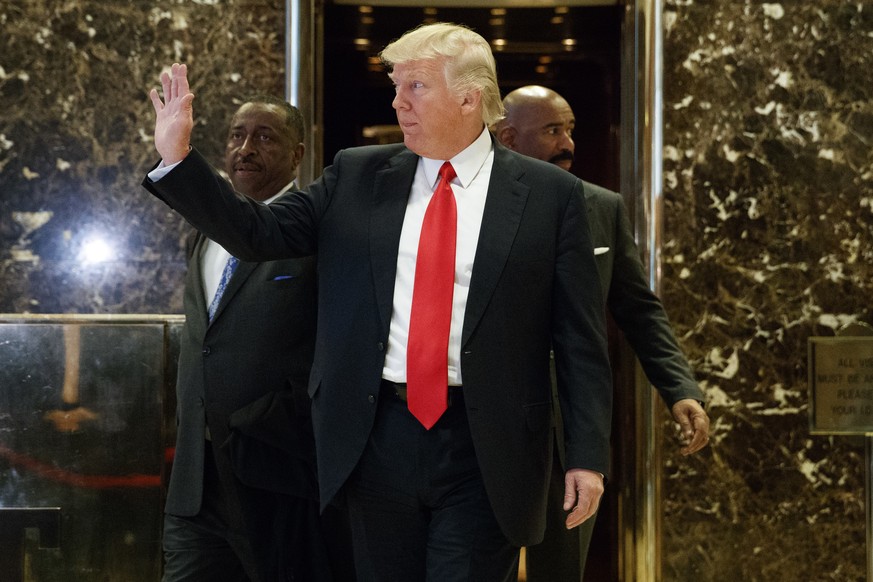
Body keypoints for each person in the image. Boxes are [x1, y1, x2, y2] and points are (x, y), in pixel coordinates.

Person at [143, 23, 613, 582]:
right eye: (394, 86)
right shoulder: (358, 174)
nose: (397, 102)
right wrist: (179, 159)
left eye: (414, 86)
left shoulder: (550, 194)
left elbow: (579, 338)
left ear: (468, 97)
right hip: (373, 435)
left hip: (490, 446)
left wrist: (587, 455)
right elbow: (256, 233)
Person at [495, 85, 711, 581]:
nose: (568, 141)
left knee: (563, 566)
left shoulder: (602, 207)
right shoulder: (471, 209)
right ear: (508, 137)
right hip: (491, 423)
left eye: (570, 128)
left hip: (573, 426)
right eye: (552, 130)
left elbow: (639, 309)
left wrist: (679, 389)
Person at [160, 95, 353, 582]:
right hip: (195, 479)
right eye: (236, 135)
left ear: (298, 155)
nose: (245, 148)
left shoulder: (315, 232)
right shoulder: (202, 232)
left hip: (275, 474)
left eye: (265, 137)